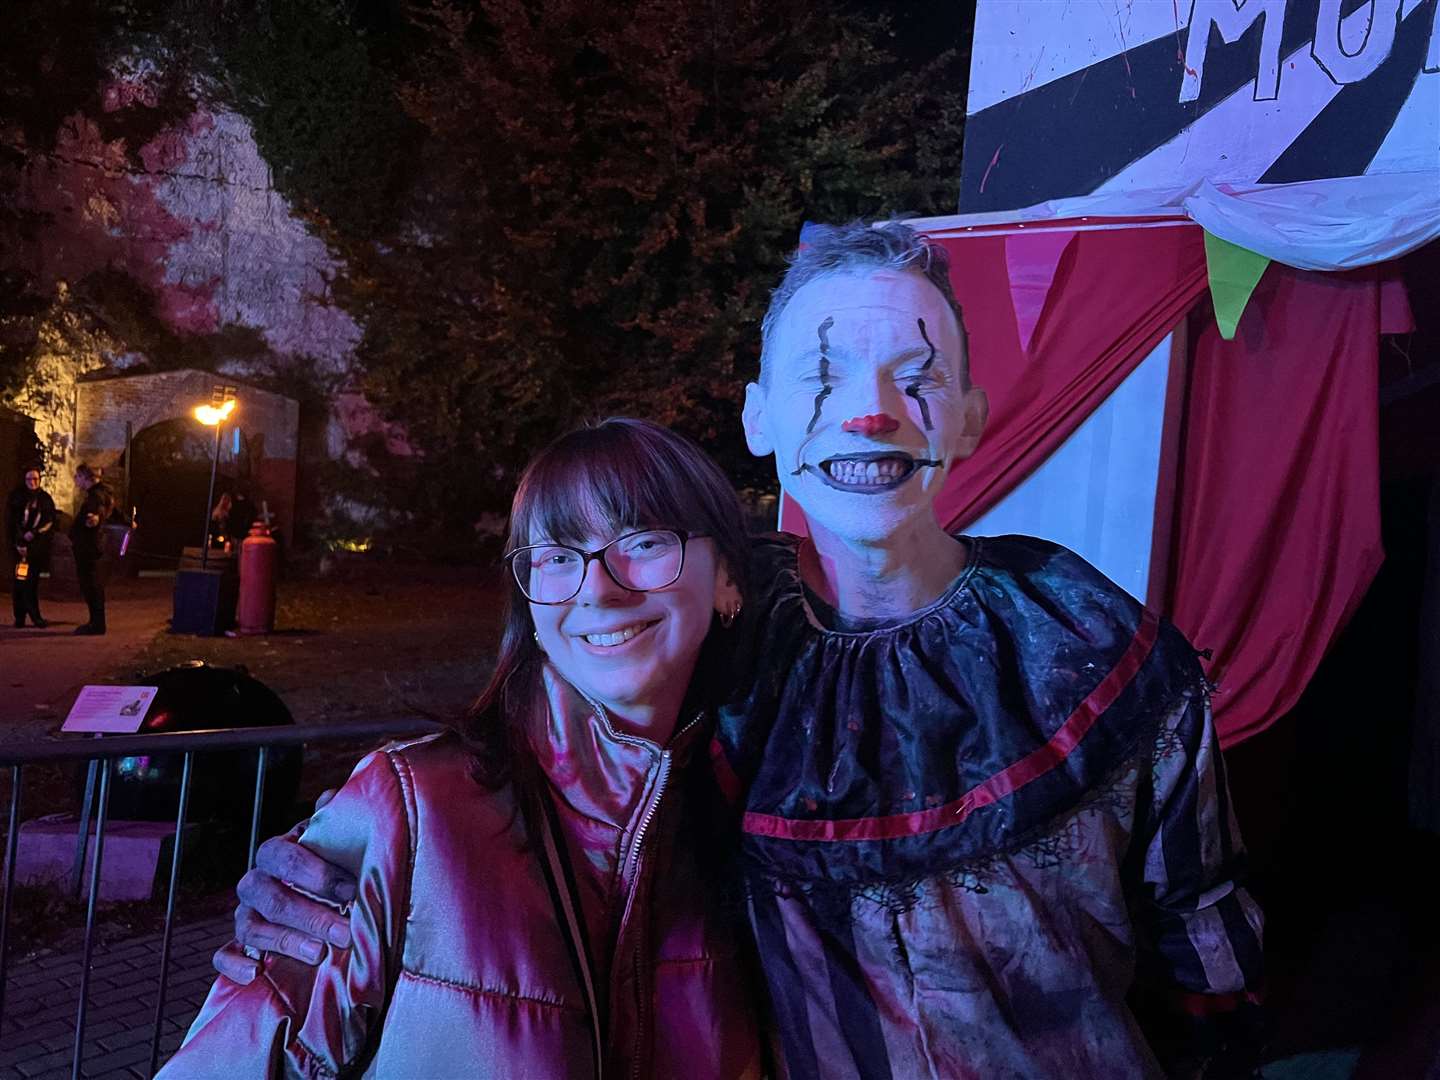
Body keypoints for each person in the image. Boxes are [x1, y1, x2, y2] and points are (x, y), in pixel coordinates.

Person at [225, 223, 1263, 1077]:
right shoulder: (717, 637)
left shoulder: (1085, 639)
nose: (869, 411)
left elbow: (1203, 949)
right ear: (760, 420)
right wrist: (338, 867)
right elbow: (555, 770)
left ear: (971, 417)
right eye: (824, 375)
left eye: (918, 377)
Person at [162, 419, 763, 1078]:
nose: (598, 586)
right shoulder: (415, 811)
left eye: (644, 540)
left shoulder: (768, 831)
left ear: (728, 578)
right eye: (559, 556)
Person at [6, 466, 56, 628]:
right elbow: (11, 521)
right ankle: (19, 617)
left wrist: (34, 533)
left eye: (35, 479)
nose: (32, 482)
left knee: (32, 582)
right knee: (19, 581)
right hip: (19, 547)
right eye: (29, 479)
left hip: (36, 547)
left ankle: (35, 615)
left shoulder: (45, 498)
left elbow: (49, 521)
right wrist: (19, 540)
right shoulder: (16, 497)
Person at [70, 463, 114, 636]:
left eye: (78, 476)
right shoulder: (103, 494)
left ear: (85, 478)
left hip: (88, 547)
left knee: (91, 585)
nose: (75, 480)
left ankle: (96, 624)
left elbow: (94, 515)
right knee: (93, 584)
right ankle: (96, 621)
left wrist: (93, 519)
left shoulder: (94, 498)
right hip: (91, 546)